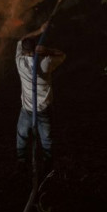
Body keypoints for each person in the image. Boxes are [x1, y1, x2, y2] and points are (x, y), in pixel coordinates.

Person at [15, 22, 66, 171]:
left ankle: (21, 161)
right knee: (47, 139)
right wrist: (47, 50)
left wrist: (39, 30)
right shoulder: (45, 62)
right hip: (43, 109)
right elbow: (63, 55)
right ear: (36, 48)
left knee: (21, 135)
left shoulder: (19, 61)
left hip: (27, 109)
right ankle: (48, 162)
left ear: (23, 52)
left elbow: (21, 39)